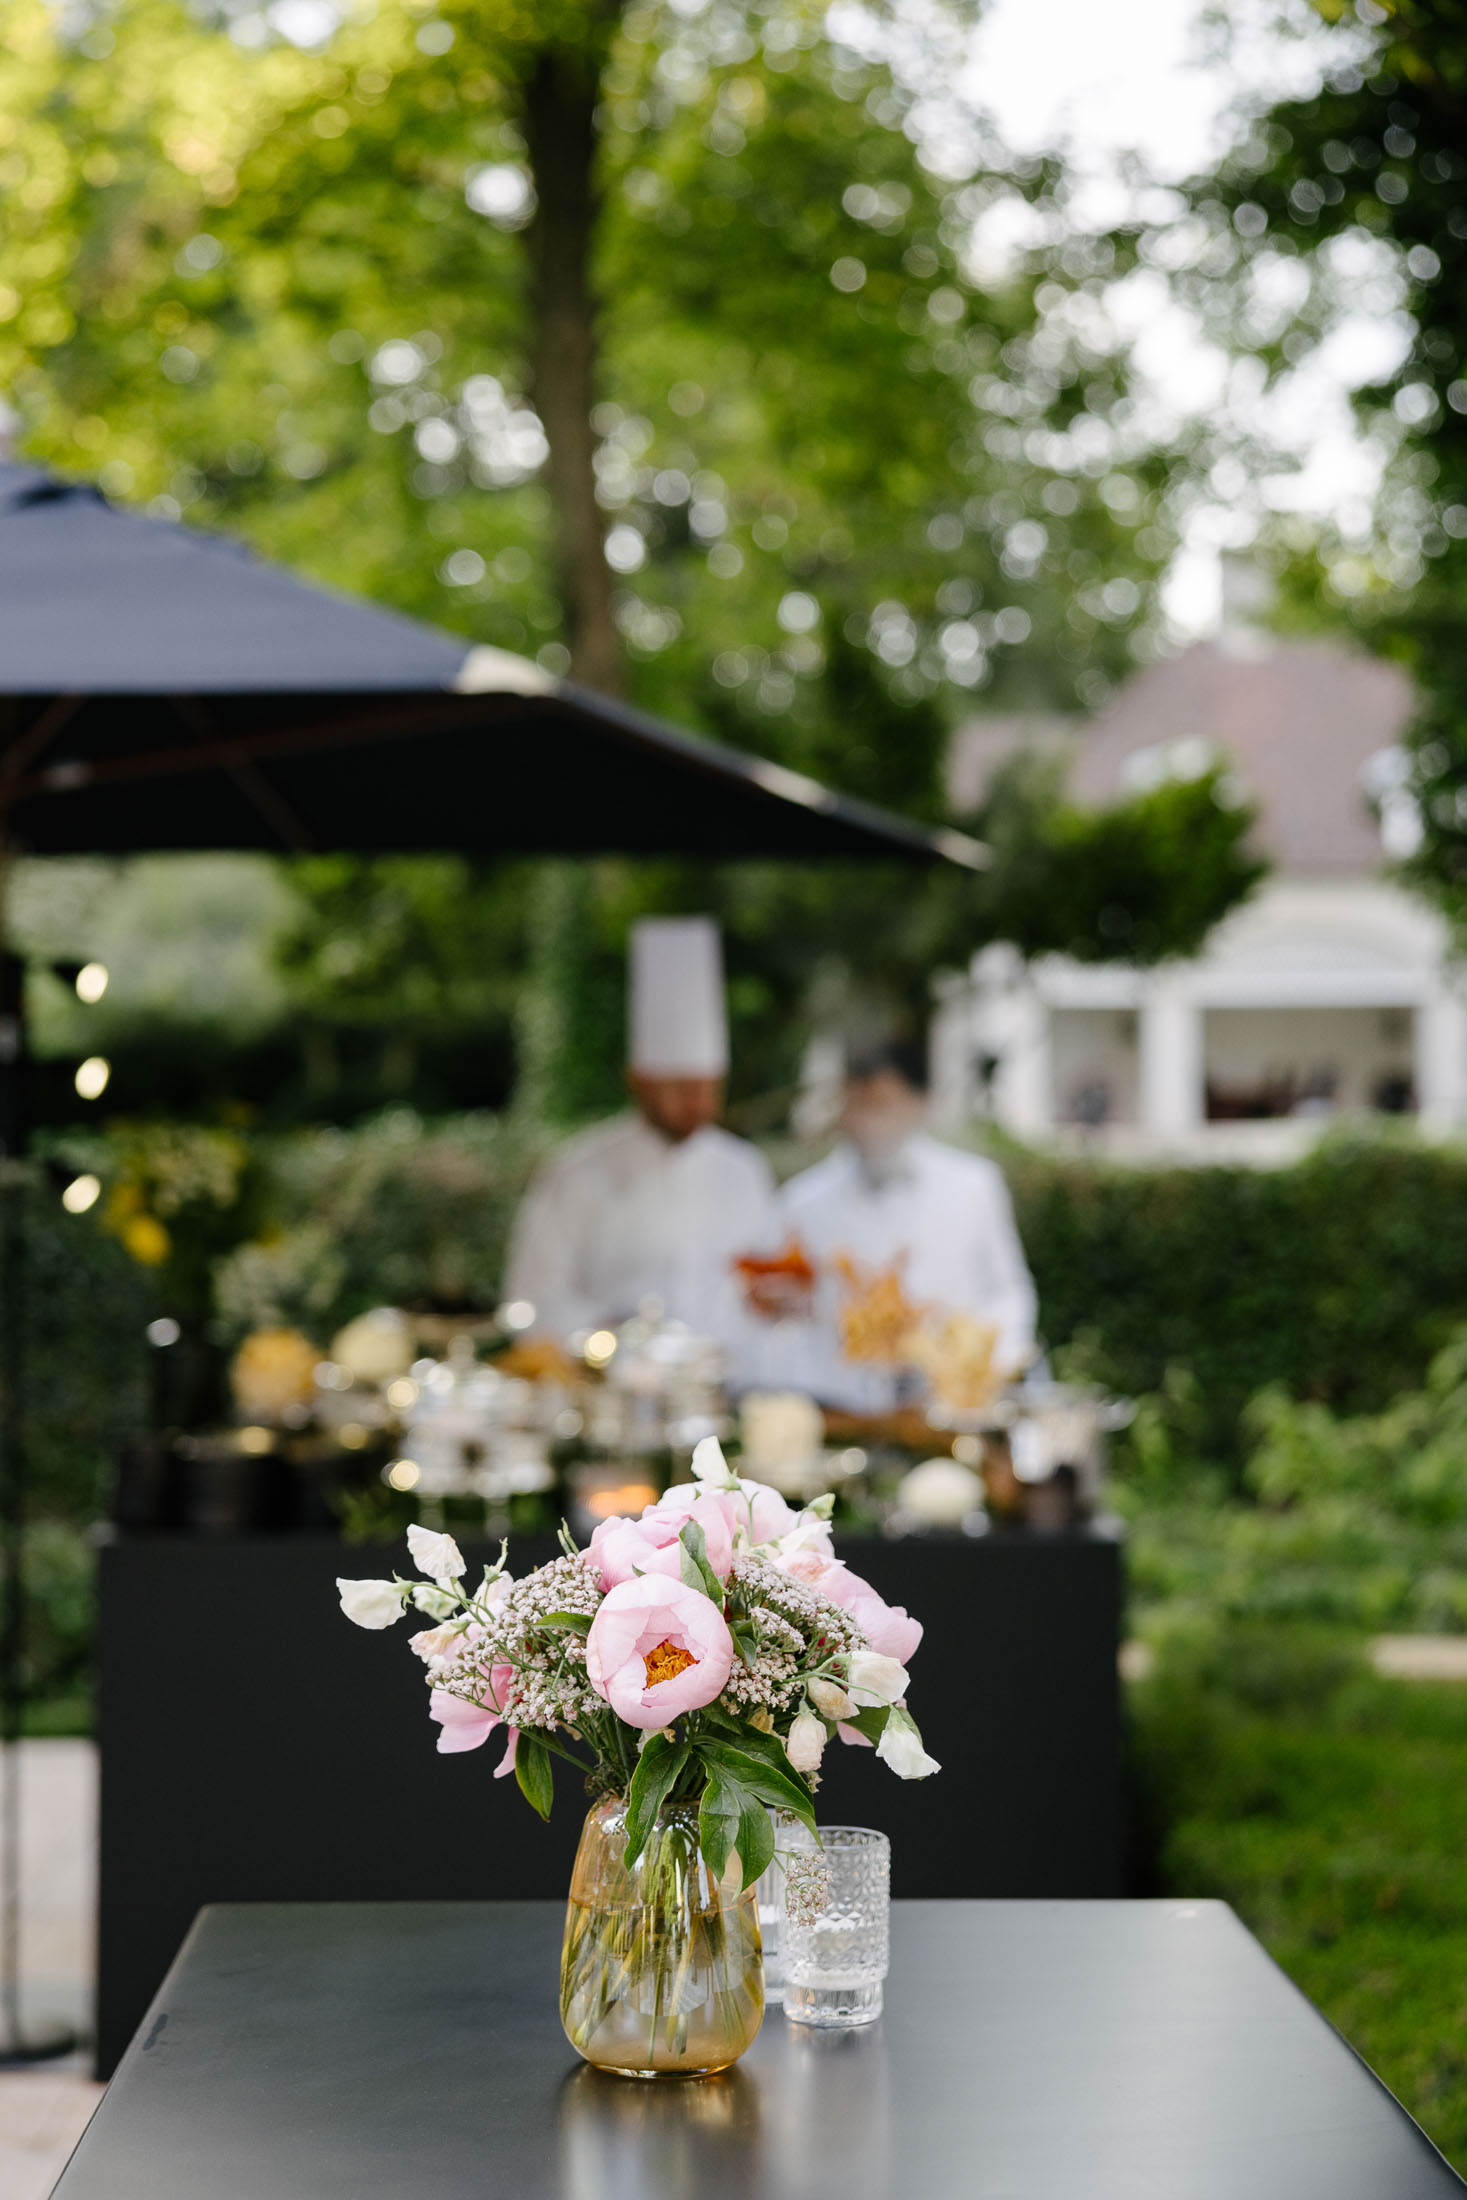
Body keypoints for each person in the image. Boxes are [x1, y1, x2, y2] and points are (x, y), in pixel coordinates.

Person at [504, 917, 780, 1358]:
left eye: (709, 1087)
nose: (700, 1105)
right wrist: (608, 1341)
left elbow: (768, 1291)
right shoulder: (578, 1171)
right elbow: (532, 1300)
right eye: (682, 1089)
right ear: (639, 1080)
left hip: (724, 1388)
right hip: (607, 1390)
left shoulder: (745, 1171)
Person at [777, 1036, 1038, 1412]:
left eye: (882, 1105)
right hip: (841, 1407)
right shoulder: (801, 1202)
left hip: (948, 1409)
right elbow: (789, 1316)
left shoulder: (974, 1186)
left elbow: (1008, 1293)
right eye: (857, 1104)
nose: (868, 1121)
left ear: (919, 1104)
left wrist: (984, 1371)